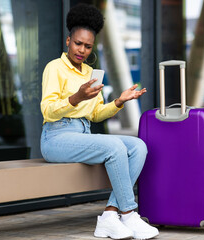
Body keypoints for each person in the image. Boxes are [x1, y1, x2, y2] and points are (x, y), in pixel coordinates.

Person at [40, 3, 159, 240]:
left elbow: (94, 114)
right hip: (56, 136)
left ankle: (110, 214)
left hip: (82, 135)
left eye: (87, 46)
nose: (82, 50)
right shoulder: (55, 68)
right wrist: (76, 97)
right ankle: (129, 212)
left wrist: (118, 101)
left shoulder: (90, 73)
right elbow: (48, 110)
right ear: (67, 41)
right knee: (114, 147)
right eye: (78, 43)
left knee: (138, 146)